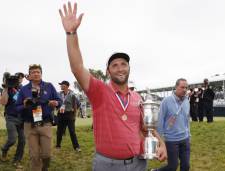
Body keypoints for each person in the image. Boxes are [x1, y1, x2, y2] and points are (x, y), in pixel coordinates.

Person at [58, 2, 167, 171]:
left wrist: (161, 144)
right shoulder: (99, 91)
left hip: (138, 163)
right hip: (107, 165)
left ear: (129, 68)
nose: (120, 68)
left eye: (123, 64)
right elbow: (77, 67)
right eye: (114, 65)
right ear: (108, 71)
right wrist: (71, 33)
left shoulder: (137, 97)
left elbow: (146, 128)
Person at [16, 64, 61, 171]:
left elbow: (59, 101)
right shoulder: (23, 90)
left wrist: (55, 103)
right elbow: (17, 108)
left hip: (45, 123)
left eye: (38, 72)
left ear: (41, 74)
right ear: (29, 75)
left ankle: (44, 168)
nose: (36, 74)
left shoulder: (49, 86)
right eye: (33, 72)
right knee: (34, 155)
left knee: (47, 155)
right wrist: (25, 105)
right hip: (29, 124)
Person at [155, 78, 191, 171]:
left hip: (185, 139)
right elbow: (160, 121)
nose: (184, 90)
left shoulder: (187, 100)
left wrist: (189, 135)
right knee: (172, 166)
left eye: (186, 88)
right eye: (182, 87)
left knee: (186, 166)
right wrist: (159, 141)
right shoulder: (166, 101)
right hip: (171, 141)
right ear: (176, 87)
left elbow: (187, 119)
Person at [0, 72, 26, 169]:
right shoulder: (8, 88)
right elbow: (3, 102)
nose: (20, 79)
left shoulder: (23, 89)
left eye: (21, 78)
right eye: (18, 77)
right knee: (12, 139)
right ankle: (4, 150)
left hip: (22, 118)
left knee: (23, 141)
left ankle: (17, 160)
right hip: (11, 117)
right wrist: (6, 87)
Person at [56, 80, 81, 152]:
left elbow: (77, 104)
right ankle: (58, 146)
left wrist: (74, 115)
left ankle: (76, 147)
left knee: (72, 131)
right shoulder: (59, 94)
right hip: (60, 114)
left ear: (66, 86)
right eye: (60, 85)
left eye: (62, 85)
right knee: (59, 131)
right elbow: (57, 102)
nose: (60, 86)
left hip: (69, 114)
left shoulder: (72, 94)